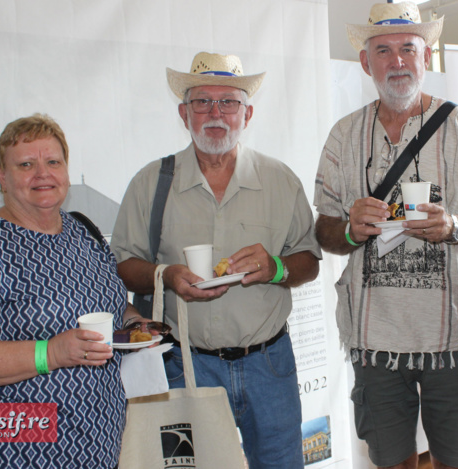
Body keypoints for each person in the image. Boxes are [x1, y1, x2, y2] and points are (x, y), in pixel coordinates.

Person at [313, 3, 458, 468]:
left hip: (450, 339)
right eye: (383, 50)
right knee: (391, 463)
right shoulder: (344, 135)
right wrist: (348, 227)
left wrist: (455, 226)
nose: (396, 61)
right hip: (374, 339)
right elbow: (323, 229)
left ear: (426, 56)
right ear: (366, 63)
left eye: (408, 48)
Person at [111, 51, 321, 469]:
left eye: (229, 102)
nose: (215, 113)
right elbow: (120, 264)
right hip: (185, 364)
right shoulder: (151, 182)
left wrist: (276, 268)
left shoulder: (280, 180)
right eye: (202, 101)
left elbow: (309, 261)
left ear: (248, 113)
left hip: (269, 365)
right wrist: (166, 275)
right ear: (183, 113)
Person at [0, 114, 150, 468]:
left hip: (101, 444)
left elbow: (112, 306)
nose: (42, 174)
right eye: (26, 164)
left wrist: (137, 324)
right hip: (22, 451)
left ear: (65, 170)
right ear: (2, 176)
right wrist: (52, 352)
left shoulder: (83, 232)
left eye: (52, 162)